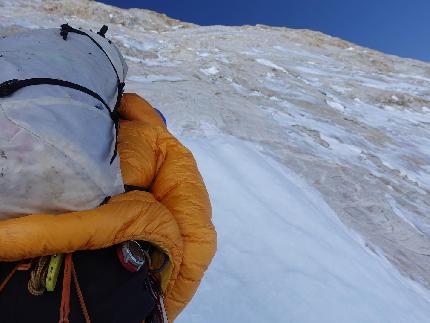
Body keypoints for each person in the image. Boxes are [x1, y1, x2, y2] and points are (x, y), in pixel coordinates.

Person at [0, 92, 217, 322]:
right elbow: (196, 238)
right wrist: (164, 304)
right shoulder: (158, 141)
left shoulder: (28, 115)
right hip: (105, 269)